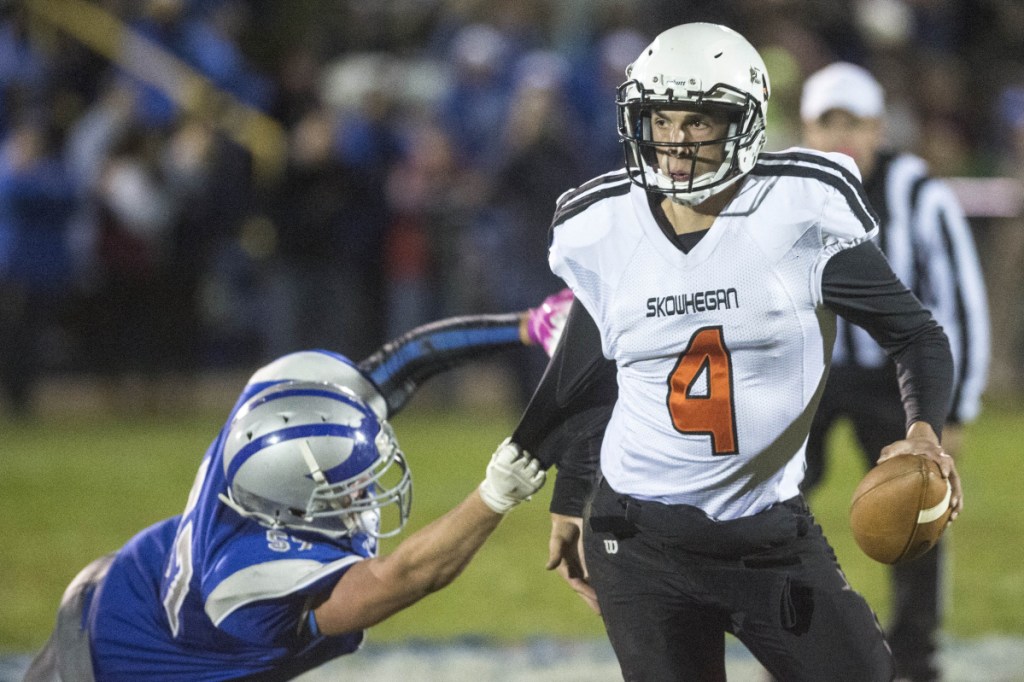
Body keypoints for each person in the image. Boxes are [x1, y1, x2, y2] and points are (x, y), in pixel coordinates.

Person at [511, 23, 961, 681]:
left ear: (744, 122)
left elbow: (916, 333)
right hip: (636, 541)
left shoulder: (798, 213)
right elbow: (586, 375)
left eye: (699, 120)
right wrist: (568, 493)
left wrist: (924, 431)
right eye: (660, 119)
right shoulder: (607, 227)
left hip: (766, 536)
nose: (675, 140)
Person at [22, 294, 572, 682]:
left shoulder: (265, 424)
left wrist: (530, 325)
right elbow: (402, 578)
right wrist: (494, 496)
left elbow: (402, 363)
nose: (364, 494)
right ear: (287, 509)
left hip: (125, 591)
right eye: (344, 489)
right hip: (105, 667)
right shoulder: (247, 577)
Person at [798, 61, 990, 682]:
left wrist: (952, 408)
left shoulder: (919, 192)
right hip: (809, 380)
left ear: (879, 127)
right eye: (828, 122)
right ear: (806, 129)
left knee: (917, 512)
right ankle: (788, 643)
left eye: (853, 121)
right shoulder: (788, 193)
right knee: (771, 510)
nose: (841, 135)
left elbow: (960, 302)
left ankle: (914, 655)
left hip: (895, 376)